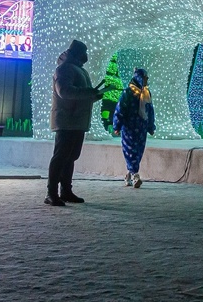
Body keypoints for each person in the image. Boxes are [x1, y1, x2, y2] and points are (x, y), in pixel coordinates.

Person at [46, 39, 104, 207]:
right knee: (61, 156)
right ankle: (51, 193)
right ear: (77, 53)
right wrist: (88, 92)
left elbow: (80, 95)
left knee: (71, 157)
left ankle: (66, 191)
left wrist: (93, 95)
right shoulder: (64, 69)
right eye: (84, 52)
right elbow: (64, 91)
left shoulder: (79, 70)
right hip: (66, 119)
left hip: (77, 120)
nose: (86, 55)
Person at [113, 67, 156, 188]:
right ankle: (136, 175)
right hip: (129, 128)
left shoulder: (146, 93)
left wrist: (151, 126)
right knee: (130, 151)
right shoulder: (128, 93)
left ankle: (129, 174)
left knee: (138, 152)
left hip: (141, 128)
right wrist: (117, 125)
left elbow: (150, 110)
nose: (147, 79)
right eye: (145, 77)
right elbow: (120, 109)